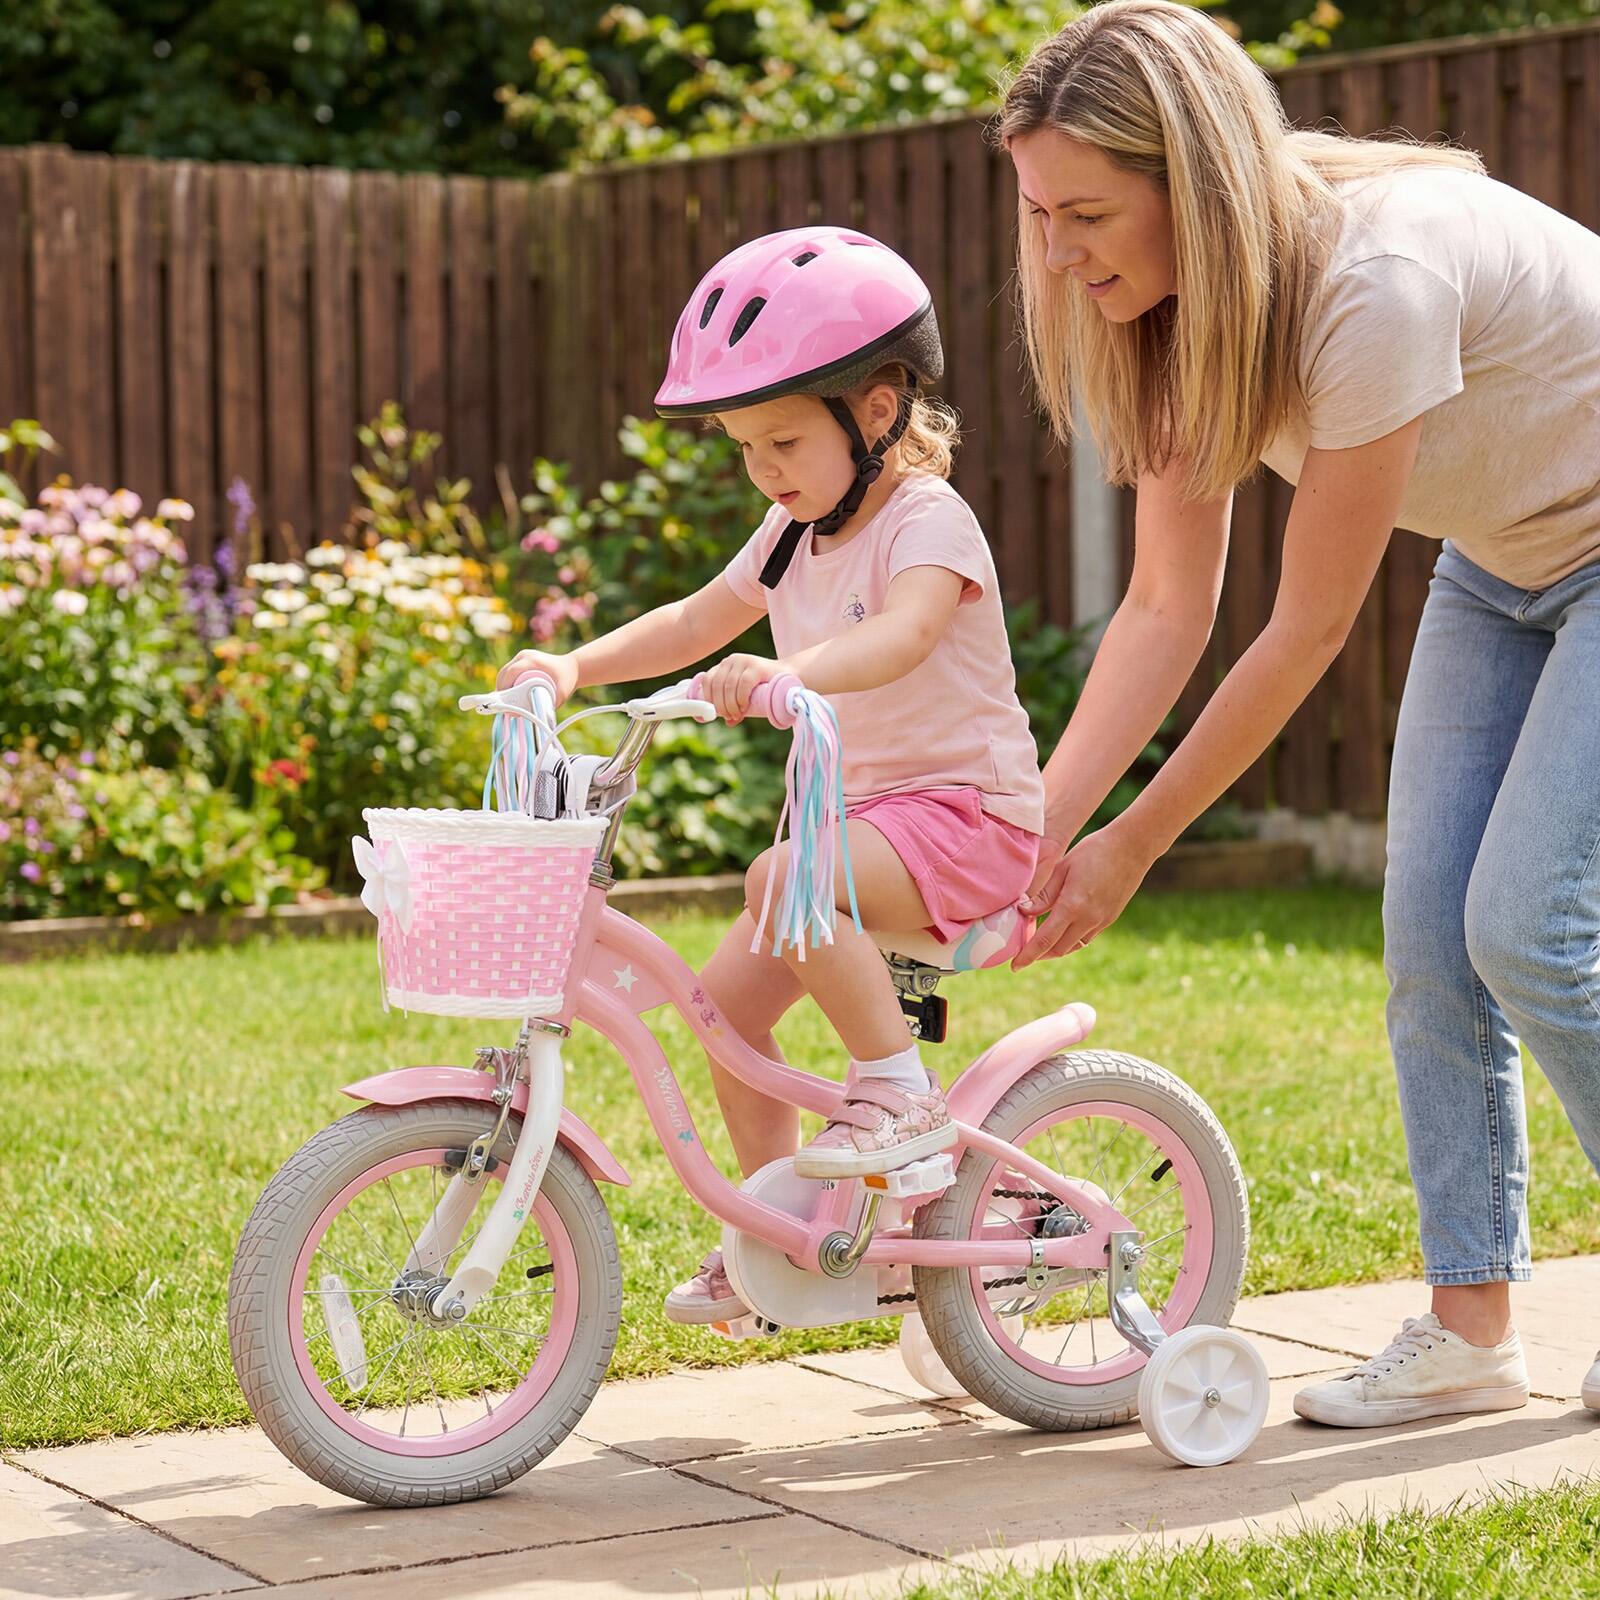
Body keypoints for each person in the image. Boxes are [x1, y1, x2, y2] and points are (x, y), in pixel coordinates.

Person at [997, 0, 1600, 1427]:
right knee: (1427, 945)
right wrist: (1035, 830)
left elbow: (1304, 628)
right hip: (1508, 562)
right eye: (1038, 212)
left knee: (1523, 924)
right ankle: (1472, 1334)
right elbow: (1163, 609)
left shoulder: (1373, 280)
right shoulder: (1172, 315)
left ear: (1192, 186)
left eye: (1087, 212)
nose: (1058, 251)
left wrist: (1134, 846)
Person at [498, 226, 1045, 1325]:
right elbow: (699, 618)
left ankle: (898, 1097)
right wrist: (574, 662)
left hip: (967, 818)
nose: (766, 470)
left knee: (781, 874)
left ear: (877, 410)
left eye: (785, 441)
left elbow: (901, 636)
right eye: (747, 447)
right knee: (726, 1013)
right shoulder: (791, 532)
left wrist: (789, 673)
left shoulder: (927, 521)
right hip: (864, 828)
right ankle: (775, 1235)